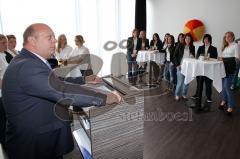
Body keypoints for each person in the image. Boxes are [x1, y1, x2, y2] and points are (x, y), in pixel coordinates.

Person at [2, 23, 122, 159]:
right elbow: (60, 90)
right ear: (32, 41)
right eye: (49, 37)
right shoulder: (27, 65)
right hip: (35, 145)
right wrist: (105, 98)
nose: (55, 41)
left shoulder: (28, 60)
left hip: (41, 137)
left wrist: (84, 80)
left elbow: (55, 81)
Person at [191, 34, 218, 103]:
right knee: (199, 83)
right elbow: (197, 57)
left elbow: (215, 58)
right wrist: (202, 57)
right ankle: (197, 94)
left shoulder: (214, 48)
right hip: (200, 68)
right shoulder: (200, 47)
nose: (206, 40)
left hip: (208, 69)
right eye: (205, 39)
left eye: (207, 39)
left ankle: (209, 97)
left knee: (208, 83)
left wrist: (209, 58)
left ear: (210, 40)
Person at [218, 31, 238, 115]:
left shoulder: (236, 45)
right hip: (223, 69)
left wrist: (224, 59)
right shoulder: (225, 46)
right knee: (223, 87)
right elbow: (223, 57)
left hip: (230, 69)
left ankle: (230, 106)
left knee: (227, 87)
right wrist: (220, 58)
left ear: (233, 37)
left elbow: (237, 59)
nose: (227, 38)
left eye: (229, 36)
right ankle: (224, 101)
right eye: (226, 37)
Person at [174, 33, 195, 101]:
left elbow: (193, 57)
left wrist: (193, 57)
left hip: (189, 67)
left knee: (187, 82)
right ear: (184, 39)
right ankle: (177, 94)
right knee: (180, 83)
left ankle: (184, 94)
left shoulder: (192, 47)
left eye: (189, 38)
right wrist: (177, 65)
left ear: (191, 39)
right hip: (181, 66)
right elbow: (175, 56)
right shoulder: (180, 45)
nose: (187, 40)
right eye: (186, 38)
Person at [0, 34, 8, 150]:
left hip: (4, 93)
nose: (6, 45)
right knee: (2, 122)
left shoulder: (2, 55)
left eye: (6, 42)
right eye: (3, 43)